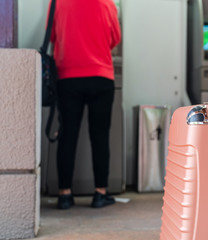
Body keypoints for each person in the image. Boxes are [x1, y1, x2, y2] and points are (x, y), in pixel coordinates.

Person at [47, 0, 121, 209]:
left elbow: (51, 36)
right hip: (101, 76)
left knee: (67, 135)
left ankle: (64, 195)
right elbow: (115, 39)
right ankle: (100, 194)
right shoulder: (107, 3)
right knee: (100, 136)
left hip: (68, 77)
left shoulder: (58, 2)